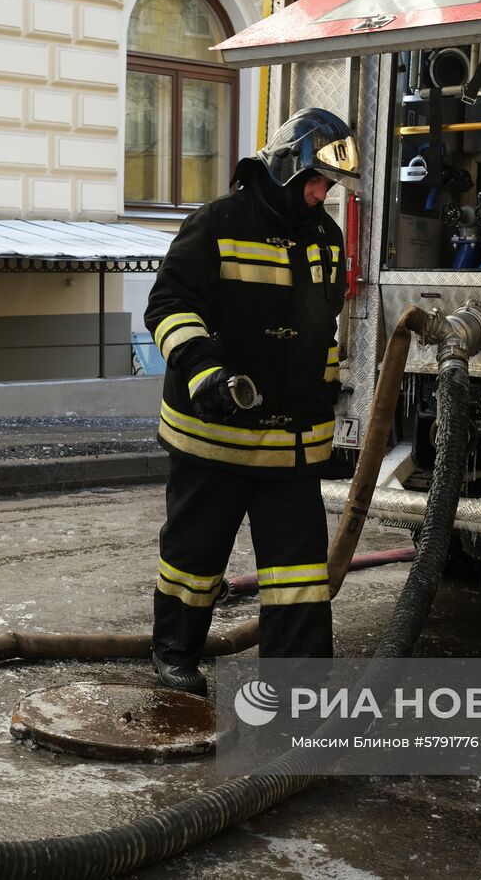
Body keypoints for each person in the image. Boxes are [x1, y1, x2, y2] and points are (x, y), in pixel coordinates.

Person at [144, 108, 361, 696]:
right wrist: (205, 373)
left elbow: (322, 333)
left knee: (299, 574)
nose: (322, 195)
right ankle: (175, 653)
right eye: (316, 180)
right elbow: (168, 307)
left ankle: (299, 686)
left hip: (291, 446)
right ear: (289, 164)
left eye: (330, 186)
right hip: (212, 434)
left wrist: (325, 422)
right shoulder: (217, 222)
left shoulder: (326, 237)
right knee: (193, 558)